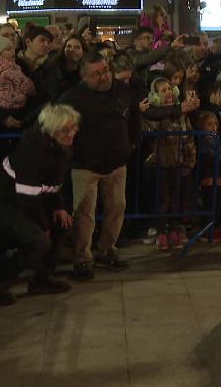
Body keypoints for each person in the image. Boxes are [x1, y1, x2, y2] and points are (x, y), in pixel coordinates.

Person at [0, 104, 79, 305]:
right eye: (65, 130)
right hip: (2, 201)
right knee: (38, 240)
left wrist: (59, 207)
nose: (71, 133)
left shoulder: (59, 146)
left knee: (62, 224)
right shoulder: (33, 150)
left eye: (73, 128)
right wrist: (43, 226)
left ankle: (41, 280)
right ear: (51, 129)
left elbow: (54, 182)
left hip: (27, 198)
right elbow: (28, 197)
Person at [59, 52, 140, 280]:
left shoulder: (122, 91)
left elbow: (134, 118)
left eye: (105, 71)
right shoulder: (72, 98)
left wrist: (132, 142)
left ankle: (108, 249)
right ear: (84, 76)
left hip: (116, 162)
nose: (104, 77)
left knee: (117, 207)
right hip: (85, 164)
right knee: (85, 214)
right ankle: (82, 257)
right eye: (97, 74)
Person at [143, 77, 197, 250]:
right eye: (163, 90)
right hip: (159, 164)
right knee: (162, 200)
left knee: (175, 199)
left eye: (170, 89)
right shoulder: (152, 115)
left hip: (176, 162)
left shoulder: (182, 114)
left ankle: (174, 229)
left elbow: (188, 138)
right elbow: (147, 134)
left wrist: (189, 161)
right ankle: (160, 232)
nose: (168, 93)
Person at [0, 32, 36, 130]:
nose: (13, 51)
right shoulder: (10, 68)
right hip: (16, 108)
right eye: (8, 49)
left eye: (12, 48)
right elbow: (26, 85)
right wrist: (33, 90)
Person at [17, 24, 63, 105]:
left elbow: (51, 98)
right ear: (28, 42)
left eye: (48, 42)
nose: (46, 44)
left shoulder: (50, 68)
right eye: (42, 40)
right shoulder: (14, 64)